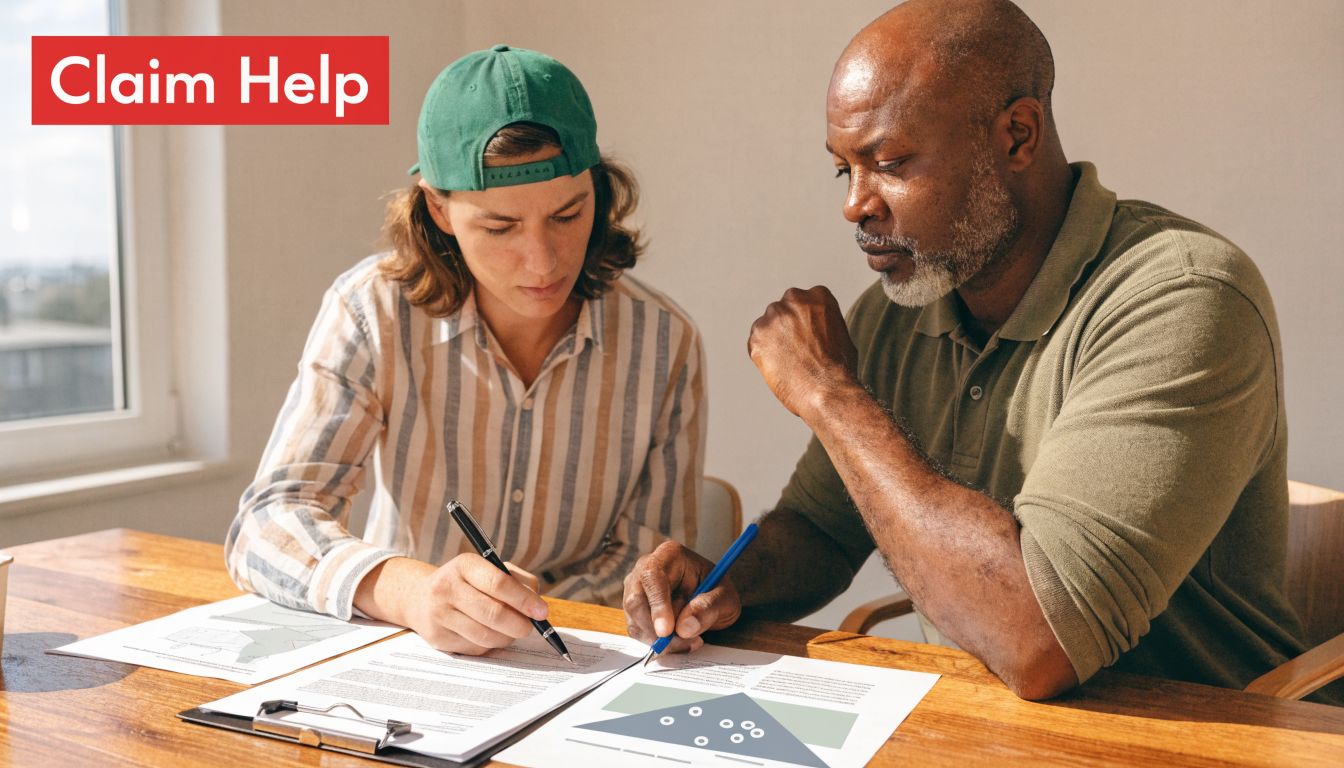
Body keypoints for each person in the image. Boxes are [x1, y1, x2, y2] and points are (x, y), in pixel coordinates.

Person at [623, 0, 1322, 702]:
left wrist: (831, 397)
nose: (855, 205)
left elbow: (1039, 642)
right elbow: (825, 529)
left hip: (1202, 731)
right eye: (845, 171)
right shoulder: (907, 305)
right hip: (988, 725)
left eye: (889, 162)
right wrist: (729, 583)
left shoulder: (1183, 298)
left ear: (1017, 135)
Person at [227, 45, 706, 657]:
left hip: (577, 659)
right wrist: (410, 590)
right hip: (405, 653)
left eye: (568, 213)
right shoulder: (370, 311)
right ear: (438, 208)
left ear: (599, 191)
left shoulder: (665, 342)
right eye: (500, 228)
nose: (543, 261)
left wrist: (534, 613)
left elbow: (652, 559)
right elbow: (266, 523)